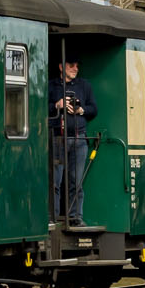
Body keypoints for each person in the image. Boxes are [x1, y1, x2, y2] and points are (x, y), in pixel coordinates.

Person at [50, 58, 97, 223]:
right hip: (58, 138)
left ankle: (76, 216)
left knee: (76, 182)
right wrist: (58, 105)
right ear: (61, 66)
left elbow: (94, 109)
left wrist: (82, 109)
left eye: (77, 65)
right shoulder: (51, 85)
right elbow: (40, 106)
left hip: (79, 138)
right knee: (55, 181)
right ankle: (53, 217)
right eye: (71, 65)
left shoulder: (84, 85)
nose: (75, 68)